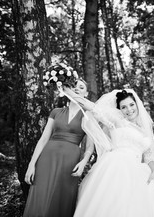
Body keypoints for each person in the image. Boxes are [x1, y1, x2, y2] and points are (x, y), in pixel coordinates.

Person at [62, 88, 154, 217]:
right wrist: (70, 93)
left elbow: (147, 155)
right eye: (124, 107)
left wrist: (153, 171)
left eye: (131, 105)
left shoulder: (144, 131)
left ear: (137, 104)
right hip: (116, 165)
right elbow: (93, 108)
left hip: (137, 170)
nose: (129, 110)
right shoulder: (117, 122)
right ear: (119, 110)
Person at [23, 79, 95, 217]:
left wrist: (83, 163)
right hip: (47, 157)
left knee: (61, 197)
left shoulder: (88, 116)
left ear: (85, 94)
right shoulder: (56, 111)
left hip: (70, 160)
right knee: (41, 194)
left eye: (81, 87)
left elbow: (90, 146)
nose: (76, 89)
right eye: (73, 86)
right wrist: (32, 164)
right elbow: (43, 139)